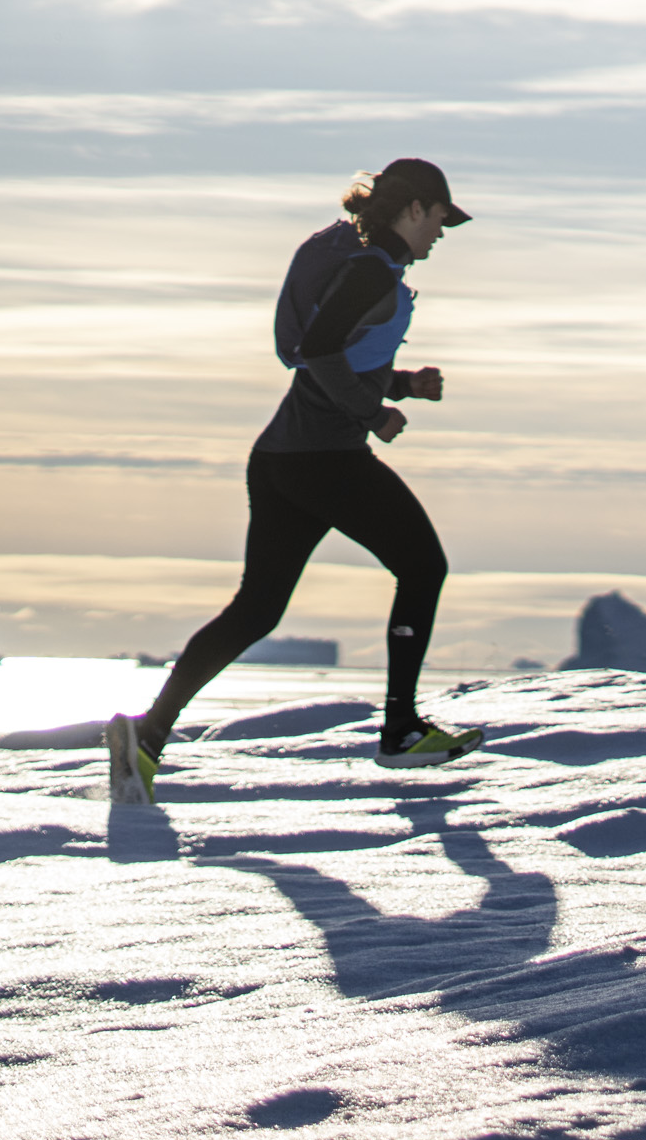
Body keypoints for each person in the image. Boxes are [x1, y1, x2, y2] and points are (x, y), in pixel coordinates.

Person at [111, 157, 481, 797]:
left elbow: (328, 361)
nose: (443, 234)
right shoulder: (369, 273)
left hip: (283, 461)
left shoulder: (368, 269)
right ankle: (399, 731)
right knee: (424, 568)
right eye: (442, 219)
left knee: (256, 609)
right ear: (414, 208)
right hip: (324, 462)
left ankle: (148, 734)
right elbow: (318, 354)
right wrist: (373, 413)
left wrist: (402, 386)